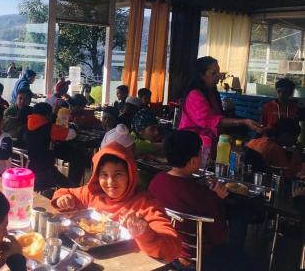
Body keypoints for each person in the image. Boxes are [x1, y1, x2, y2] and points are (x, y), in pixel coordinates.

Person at [52, 143, 182, 263]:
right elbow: (66, 192)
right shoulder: (93, 193)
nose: (110, 182)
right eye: (104, 175)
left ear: (130, 175)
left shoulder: (145, 204)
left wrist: (144, 232)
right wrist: (63, 198)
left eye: (118, 174)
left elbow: (173, 249)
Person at [149, 130, 253, 271]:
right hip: (197, 259)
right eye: (200, 153)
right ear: (193, 160)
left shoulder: (156, 181)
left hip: (165, 250)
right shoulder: (204, 196)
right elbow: (220, 238)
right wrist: (219, 199)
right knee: (246, 259)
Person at [178, 56, 262, 149]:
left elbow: (218, 118)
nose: (219, 75)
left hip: (207, 146)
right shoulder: (195, 95)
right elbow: (210, 121)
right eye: (213, 73)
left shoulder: (212, 93)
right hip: (192, 146)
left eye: (218, 71)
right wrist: (244, 122)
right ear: (201, 75)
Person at [23, 102, 76, 191]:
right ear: (47, 115)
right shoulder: (48, 128)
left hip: (32, 169)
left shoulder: (27, 126)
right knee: (71, 187)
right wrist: (72, 127)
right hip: (46, 170)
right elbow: (72, 134)